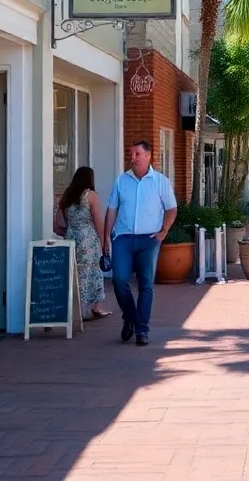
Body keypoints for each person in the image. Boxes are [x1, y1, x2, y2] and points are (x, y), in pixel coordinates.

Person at [104, 141, 178, 346]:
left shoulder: (160, 181)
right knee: (119, 280)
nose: (133, 157)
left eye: (137, 153)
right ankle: (130, 316)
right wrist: (106, 238)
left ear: (148, 156)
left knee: (146, 285)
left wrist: (164, 231)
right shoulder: (121, 180)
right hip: (123, 238)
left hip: (150, 239)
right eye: (131, 153)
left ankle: (141, 330)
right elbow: (111, 210)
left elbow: (172, 209)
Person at [58, 166, 109, 320]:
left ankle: (72, 308)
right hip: (88, 240)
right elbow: (98, 221)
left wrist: (69, 232)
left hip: (71, 238)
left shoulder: (66, 197)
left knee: (74, 273)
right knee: (92, 272)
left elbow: (57, 225)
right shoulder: (90, 196)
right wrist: (104, 242)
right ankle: (93, 308)